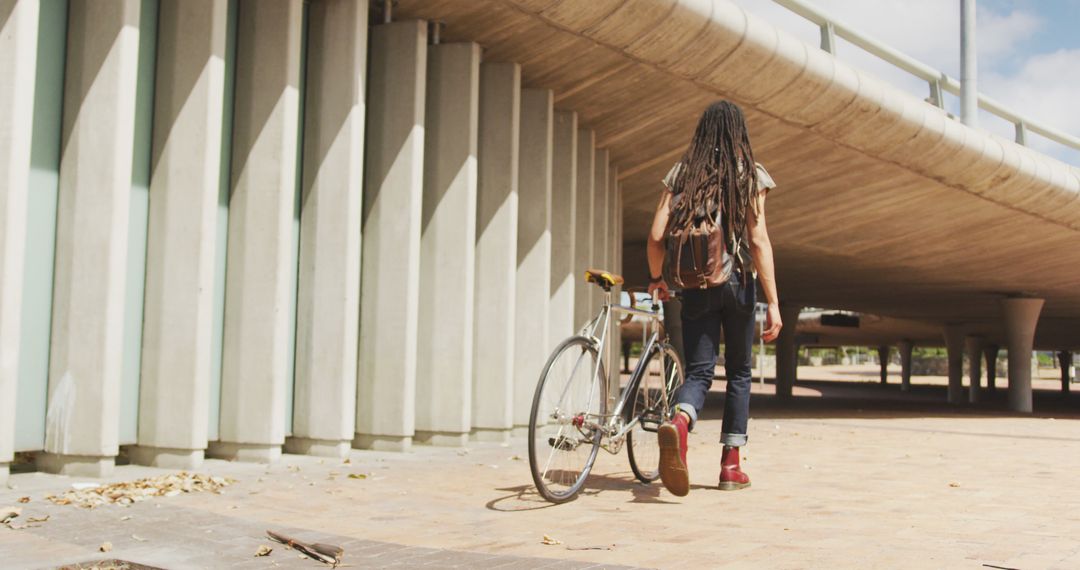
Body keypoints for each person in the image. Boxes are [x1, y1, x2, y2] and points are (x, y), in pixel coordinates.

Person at [646, 101, 783, 496]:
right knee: (739, 371)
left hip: (695, 285)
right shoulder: (751, 176)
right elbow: (758, 240)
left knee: (700, 372)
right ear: (738, 133)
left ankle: (681, 424)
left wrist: (657, 278)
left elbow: (656, 235)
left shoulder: (682, 175)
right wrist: (773, 301)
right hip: (739, 283)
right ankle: (730, 466)